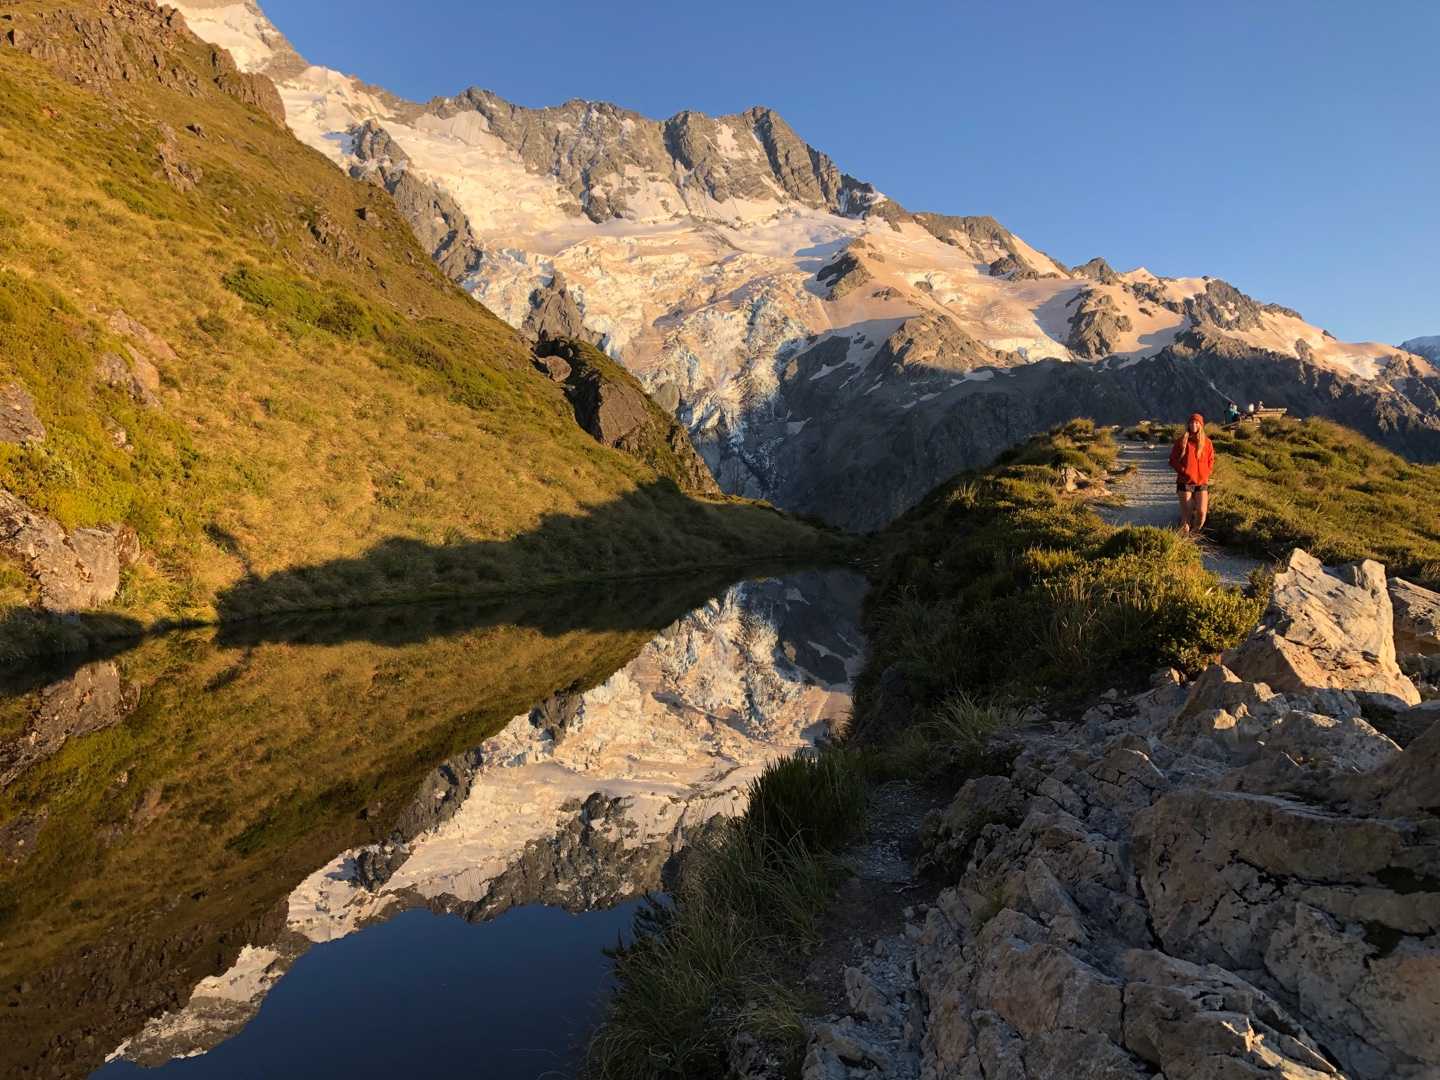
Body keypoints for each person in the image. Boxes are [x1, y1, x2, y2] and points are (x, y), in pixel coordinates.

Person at [1169, 412, 1214, 535]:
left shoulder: (1207, 442)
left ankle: (1194, 534)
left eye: (1196, 422)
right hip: (1185, 482)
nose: (1193, 425)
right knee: (1186, 516)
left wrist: (1207, 472)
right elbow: (1172, 460)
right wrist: (1183, 471)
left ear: (1201, 425)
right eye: (1191, 422)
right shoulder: (1182, 441)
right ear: (1188, 424)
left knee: (1202, 513)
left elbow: (1211, 460)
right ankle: (1183, 540)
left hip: (1201, 482)